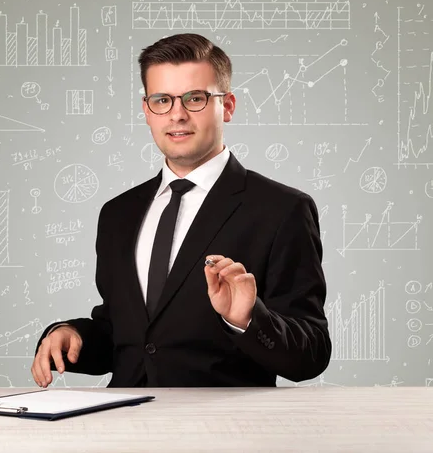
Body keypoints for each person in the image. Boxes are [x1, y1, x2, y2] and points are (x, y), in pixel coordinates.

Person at [32, 33, 331, 388]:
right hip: (124, 429)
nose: (177, 114)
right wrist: (71, 334)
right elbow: (128, 339)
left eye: (195, 98)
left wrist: (248, 319)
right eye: (162, 100)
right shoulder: (117, 214)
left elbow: (311, 355)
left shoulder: (283, 210)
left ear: (228, 105)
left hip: (225, 433)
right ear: (146, 110)